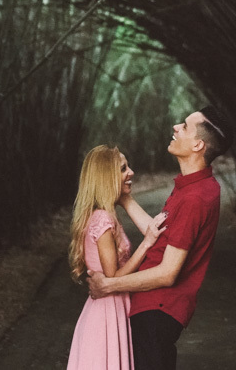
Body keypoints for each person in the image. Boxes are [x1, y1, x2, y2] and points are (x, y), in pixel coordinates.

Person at [88, 106, 234, 370]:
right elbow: (159, 235)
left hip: (158, 310)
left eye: (185, 126)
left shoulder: (195, 198)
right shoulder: (194, 187)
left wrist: (108, 285)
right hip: (154, 310)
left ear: (198, 145)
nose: (176, 127)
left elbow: (168, 273)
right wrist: (125, 199)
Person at [67, 145, 168, 370]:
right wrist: (147, 243)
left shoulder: (100, 215)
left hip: (110, 306)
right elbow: (113, 276)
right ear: (107, 177)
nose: (131, 172)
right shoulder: (103, 219)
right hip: (107, 310)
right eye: (123, 169)